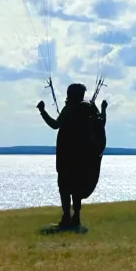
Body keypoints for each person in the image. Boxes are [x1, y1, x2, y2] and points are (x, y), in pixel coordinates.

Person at [37, 83, 107, 231]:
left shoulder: (69, 109)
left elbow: (55, 125)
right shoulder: (89, 108)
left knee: (64, 186)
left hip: (67, 156)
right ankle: (76, 217)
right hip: (82, 156)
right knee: (77, 186)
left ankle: (66, 217)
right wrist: (103, 109)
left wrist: (42, 111)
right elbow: (101, 124)